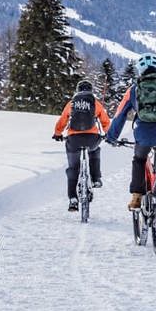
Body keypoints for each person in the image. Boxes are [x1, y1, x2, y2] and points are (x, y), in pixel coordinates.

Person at [105, 53, 156, 230]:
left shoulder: (134, 90)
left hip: (144, 134)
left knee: (139, 160)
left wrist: (111, 136)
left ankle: (136, 196)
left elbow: (120, 115)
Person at [53, 79, 112, 212]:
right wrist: (109, 134)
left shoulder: (72, 103)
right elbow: (105, 121)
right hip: (92, 139)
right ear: (90, 90)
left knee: (73, 167)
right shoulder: (95, 103)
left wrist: (57, 133)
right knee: (95, 150)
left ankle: (73, 198)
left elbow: (63, 120)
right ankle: (96, 178)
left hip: (74, 139)